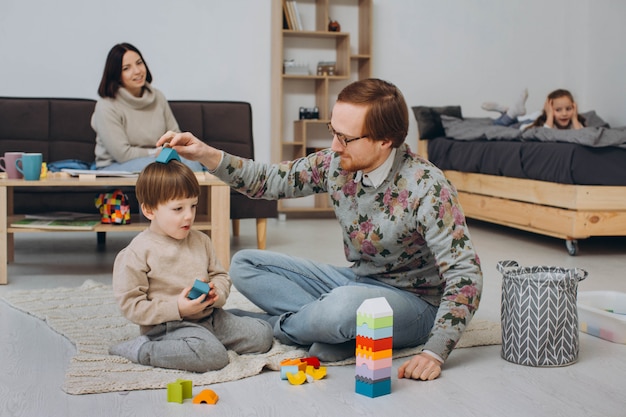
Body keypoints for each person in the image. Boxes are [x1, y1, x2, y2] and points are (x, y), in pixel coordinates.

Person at [157, 78, 483, 381]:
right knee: (245, 265)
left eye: (345, 137)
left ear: (385, 141)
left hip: (416, 302)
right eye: (332, 130)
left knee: (341, 307)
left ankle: (267, 327)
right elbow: (271, 181)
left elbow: (466, 274)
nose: (334, 145)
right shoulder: (334, 163)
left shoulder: (427, 188)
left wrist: (434, 352)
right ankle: (333, 332)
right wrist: (204, 153)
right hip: (358, 280)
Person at [108, 157, 273, 373]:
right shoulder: (137, 252)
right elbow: (132, 307)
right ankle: (143, 350)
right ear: (149, 210)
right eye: (178, 209)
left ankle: (201, 342)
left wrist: (217, 292)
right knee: (213, 357)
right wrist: (177, 307)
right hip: (169, 325)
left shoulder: (201, 240)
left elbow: (220, 276)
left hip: (210, 316)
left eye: (193, 205)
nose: (189, 215)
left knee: (263, 335)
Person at [92, 42, 203, 172]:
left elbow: (175, 136)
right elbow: (122, 154)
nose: (137, 71)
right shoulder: (106, 105)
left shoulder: (158, 97)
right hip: (116, 166)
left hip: (159, 159)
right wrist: (156, 153)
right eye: (126, 68)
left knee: (193, 164)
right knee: (166, 169)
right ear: (116, 75)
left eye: (139, 63)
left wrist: (167, 151)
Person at [483, 88, 585, 130]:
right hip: (529, 122)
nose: (564, 114)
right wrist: (549, 115)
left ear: (574, 107)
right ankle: (510, 112)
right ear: (549, 109)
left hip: (533, 117)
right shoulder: (547, 121)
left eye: (568, 109)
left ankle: (506, 111)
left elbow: (581, 135)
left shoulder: (574, 123)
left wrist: (575, 117)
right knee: (499, 126)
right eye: (558, 110)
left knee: (501, 124)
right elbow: (546, 133)